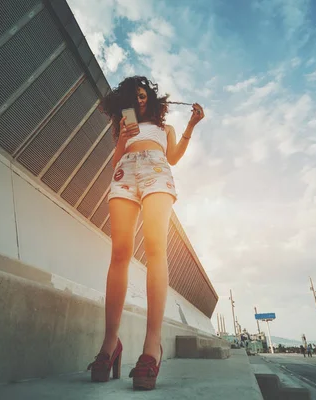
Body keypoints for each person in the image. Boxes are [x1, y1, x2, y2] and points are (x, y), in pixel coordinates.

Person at [86, 76, 205, 390]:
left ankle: (152, 346)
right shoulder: (125, 124)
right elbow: (116, 160)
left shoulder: (165, 129)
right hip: (125, 174)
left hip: (156, 173)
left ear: (151, 99)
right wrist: (123, 137)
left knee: (155, 250)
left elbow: (174, 157)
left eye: (143, 95)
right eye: (133, 96)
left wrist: (191, 124)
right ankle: (110, 344)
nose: (139, 100)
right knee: (120, 253)